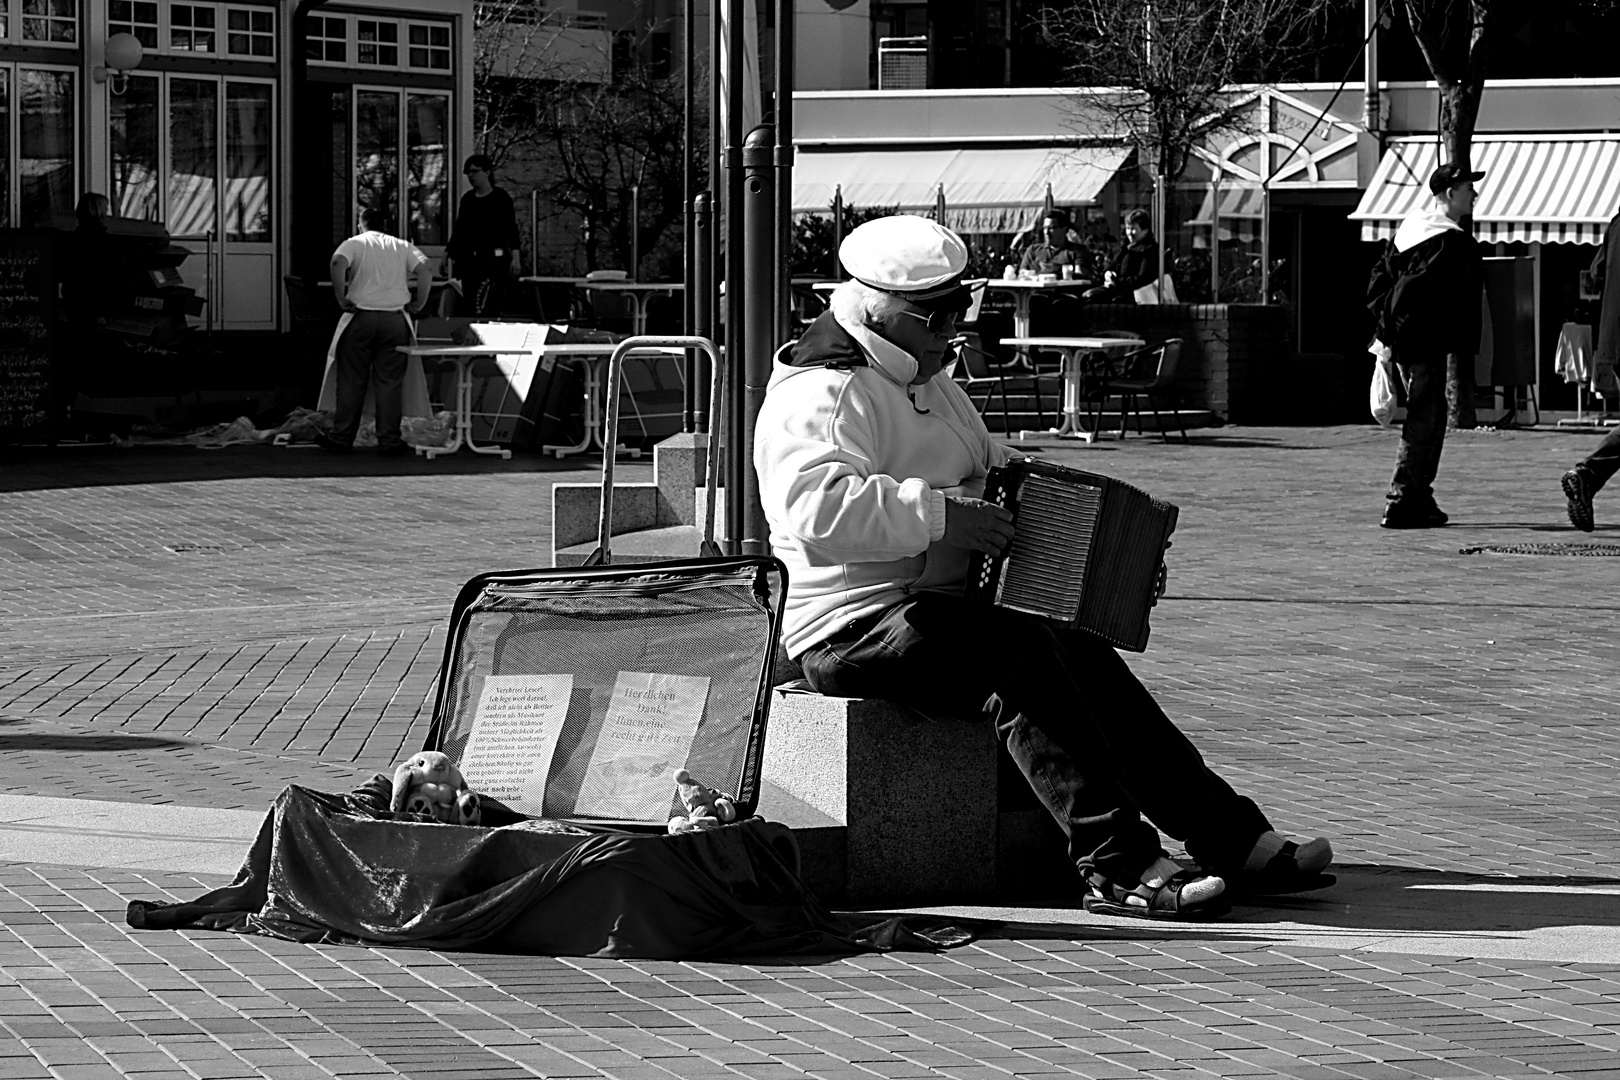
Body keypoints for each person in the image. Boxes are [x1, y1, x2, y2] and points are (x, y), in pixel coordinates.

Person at [753, 214, 1333, 921]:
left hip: (931, 606)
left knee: (1081, 645)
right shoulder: (825, 391)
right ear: (880, 311)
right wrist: (940, 515)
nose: (953, 330)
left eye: (959, 309)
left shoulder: (921, 375)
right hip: (845, 626)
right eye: (936, 317)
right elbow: (814, 508)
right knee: (1015, 654)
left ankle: (1228, 835)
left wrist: (1112, 556)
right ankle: (1116, 864)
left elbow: (999, 471)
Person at [1370, 162, 1484, 529]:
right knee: (1425, 419)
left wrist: (1387, 331)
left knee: (1432, 418)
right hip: (1422, 342)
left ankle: (1419, 495)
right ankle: (1403, 497)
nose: (1474, 194)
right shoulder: (1445, 241)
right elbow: (1413, 294)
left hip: (1407, 340)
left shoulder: (1409, 232)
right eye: (1468, 188)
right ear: (1450, 194)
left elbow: (1380, 286)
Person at [318, 206, 432, 456]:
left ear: (361, 224)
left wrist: (340, 295)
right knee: (389, 382)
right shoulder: (401, 245)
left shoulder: (355, 243)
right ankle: (389, 439)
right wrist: (419, 302)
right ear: (386, 225)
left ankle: (342, 437)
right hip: (395, 319)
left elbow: (337, 261)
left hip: (360, 317)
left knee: (351, 380)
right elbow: (425, 268)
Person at [1561, 204, 1620, 531]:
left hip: (1615, 339)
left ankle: (1587, 478)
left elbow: (1596, 273)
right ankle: (1587, 475)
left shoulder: (1616, 222)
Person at [446, 153, 522, 316]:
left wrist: (515, 257)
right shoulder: (468, 200)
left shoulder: (501, 198)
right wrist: (448, 254)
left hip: (494, 260)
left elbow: (511, 229)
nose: (471, 176)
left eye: (475, 171)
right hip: (470, 262)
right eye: (468, 173)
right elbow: (460, 229)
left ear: (487, 172)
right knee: (471, 303)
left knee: (489, 302)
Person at [1083, 209, 1159, 302]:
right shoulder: (1126, 247)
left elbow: (1143, 279)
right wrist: (1108, 273)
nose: (1129, 233)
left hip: (1134, 296)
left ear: (1145, 230)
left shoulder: (1150, 251)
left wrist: (1117, 282)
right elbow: (1113, 264)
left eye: (1133, 229)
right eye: (1128, 228)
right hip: (1118, 289)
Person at [1018, 208, 1087, 277]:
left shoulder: (1077, 251)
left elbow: (1081, 276)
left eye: (1051, 228)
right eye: (1044, 228)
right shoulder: (1033, 250)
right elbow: (1021, 274)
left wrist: (1057, 270)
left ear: (1065, 229)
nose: (1046, 232)